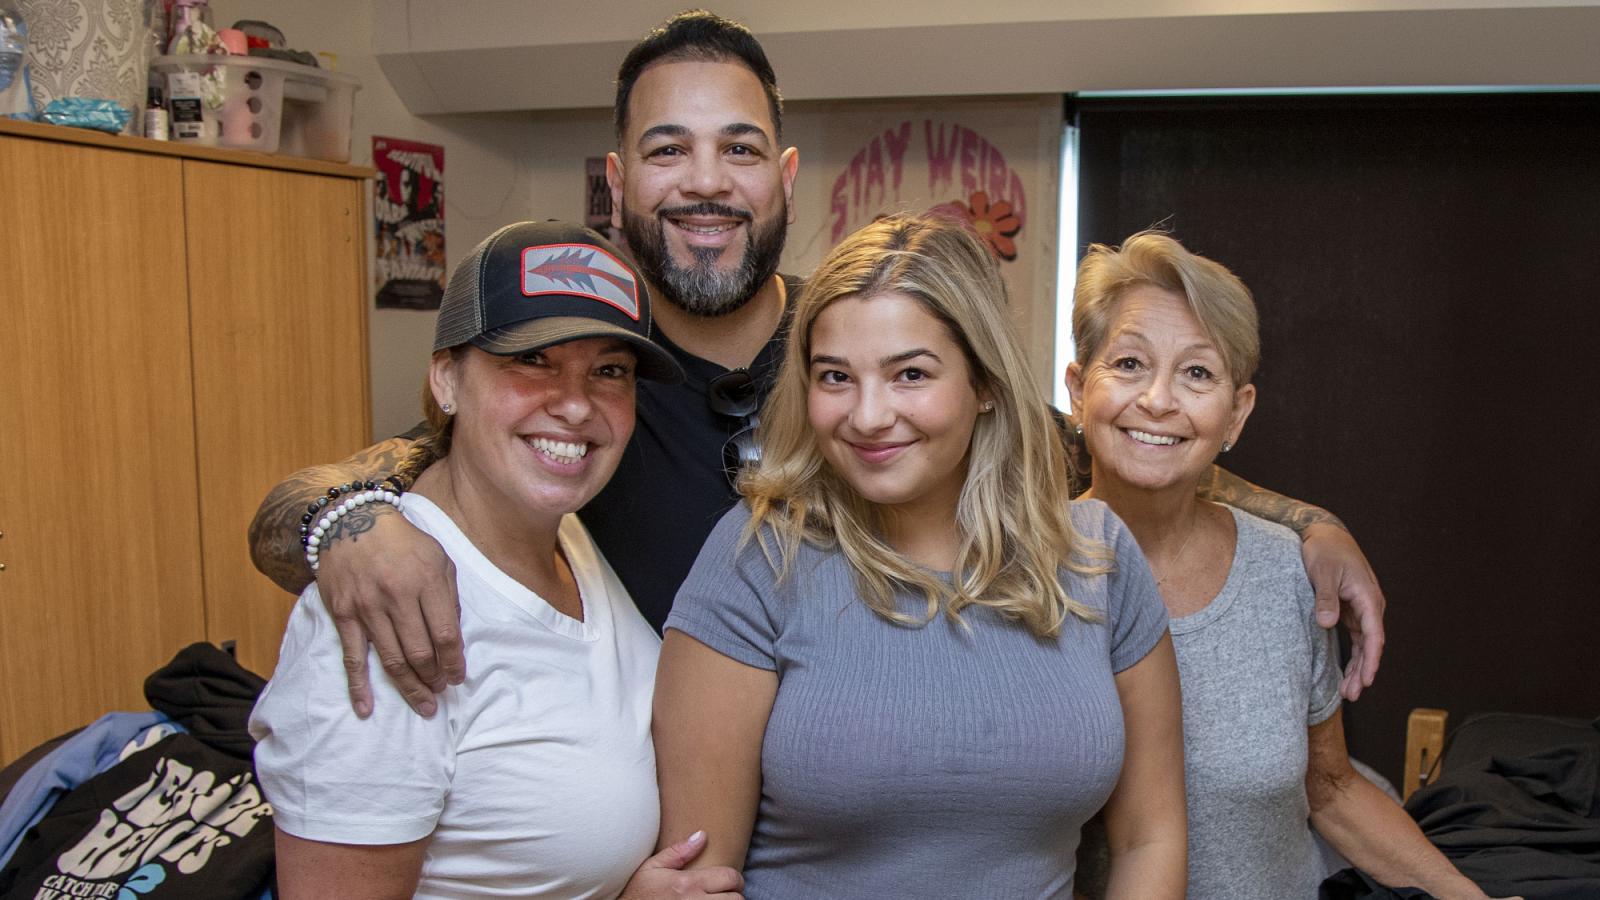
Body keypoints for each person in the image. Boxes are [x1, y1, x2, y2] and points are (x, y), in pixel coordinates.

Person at [245, 10, 1385, 721]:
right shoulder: (582, 385)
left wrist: (1302, 519)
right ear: (618, 178)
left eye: (737, 149)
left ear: (783, 174)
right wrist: (347, 527)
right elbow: (337, 492)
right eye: (667, 150)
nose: (705, 183)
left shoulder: (865, 357)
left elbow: (1095, 454)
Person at [652, 214, 1186, 897]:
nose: (869, 415)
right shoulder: (758, 558)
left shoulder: (1097, 557)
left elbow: (1150, 838)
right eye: (836, 377)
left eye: (910, 374)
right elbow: (698, 880)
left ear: (985, 383)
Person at [248, 221, 743, 899]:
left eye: (609, 371)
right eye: (532, 360)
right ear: (446, 381)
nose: (574, 403)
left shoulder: (569, 537)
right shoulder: (390, 616)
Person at [1065, 231, 1494, 900]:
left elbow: (1331, 788)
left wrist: (1469, 898)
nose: (1157, 399)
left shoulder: (1286, 572)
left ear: (1236, 415)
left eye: (1197, 373)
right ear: (1076, 387)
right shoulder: (1019, 575)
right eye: (1127, 363)